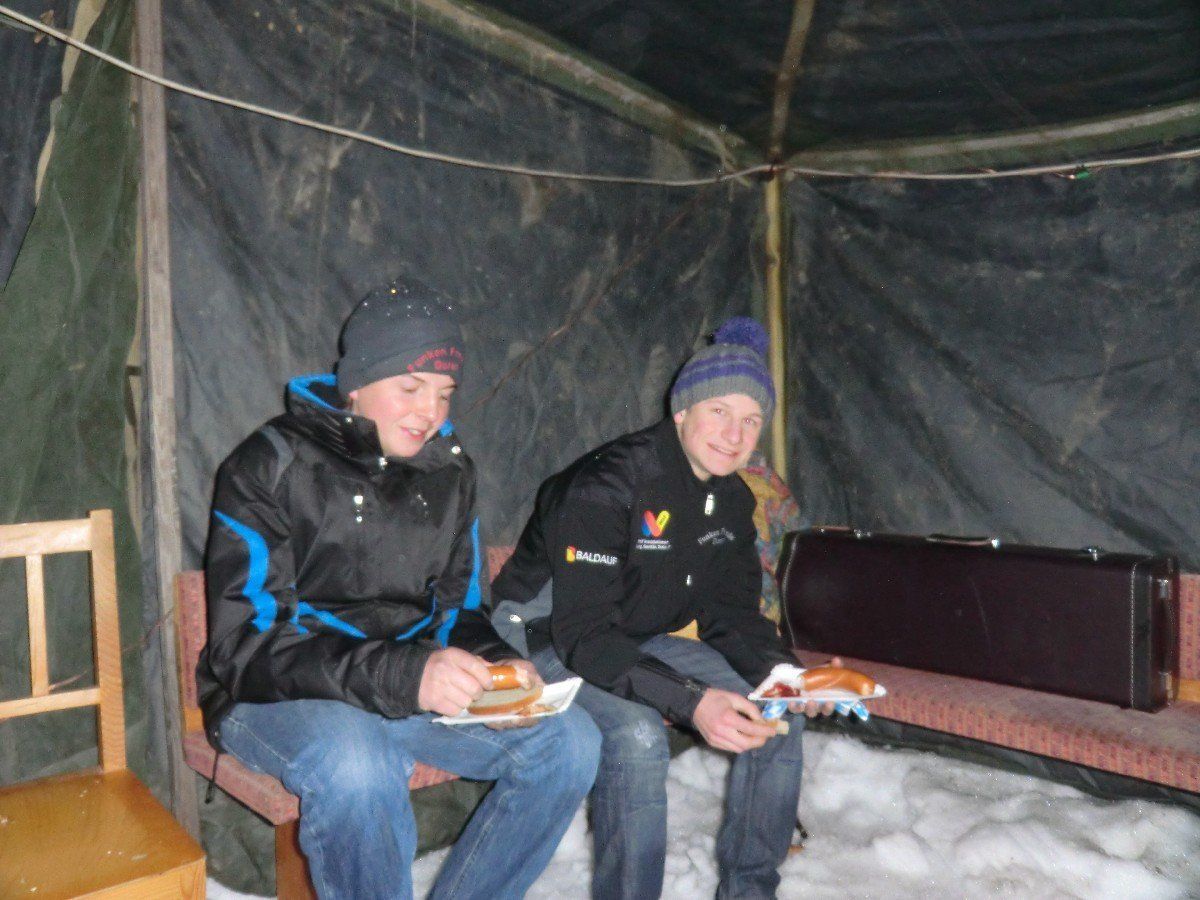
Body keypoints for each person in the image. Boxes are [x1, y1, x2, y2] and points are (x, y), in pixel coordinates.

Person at [197, 277, 600, 900]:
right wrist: (404, 675)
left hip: (406, 688)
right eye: (410, 388)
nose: (430, 412)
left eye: (444, 393)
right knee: (358, 764)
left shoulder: (450, 472)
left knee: (571, 743)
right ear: (356, 384)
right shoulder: (270, 464)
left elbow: (459, 609)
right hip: (274, 697)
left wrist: (498, 664)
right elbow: (245, 646)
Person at [491, 318, 828, 900]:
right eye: (719, 411)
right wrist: (692, 700)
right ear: (681, 412)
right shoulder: (605, 486)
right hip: (542, 637)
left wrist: (784, 674)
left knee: (777, 707)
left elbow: (732, 615)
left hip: (629, 633)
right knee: (639, 734)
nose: (735, 434)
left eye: (752, 420)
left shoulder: (731, 500)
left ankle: (749, 891)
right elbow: (583, 635)